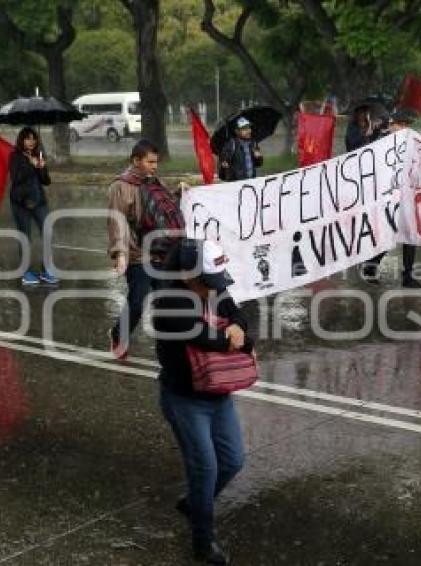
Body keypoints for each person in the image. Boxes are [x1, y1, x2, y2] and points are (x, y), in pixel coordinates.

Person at [153, 239, 253, 565]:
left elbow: (239, 316)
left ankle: (194, 503)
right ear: (186, 275)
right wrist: (232, 338)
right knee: (205, 468)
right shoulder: (168, 301)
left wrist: (238, 329)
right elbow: (201, 337)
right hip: (184, 399)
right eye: (207, 283)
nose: (214, 290)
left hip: (218, 394)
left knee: (233, 460)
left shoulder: (213, 289)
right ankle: (203, 540)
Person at [106, 139, 187, 359]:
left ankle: (170, 346)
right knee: (138, 301)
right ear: (136, 161)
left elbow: (159, 208)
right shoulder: (120, 186)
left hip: (161, 252)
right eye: (150, 162)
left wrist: (177, 193)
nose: (154, 166)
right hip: (136, 254)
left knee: (165, 299)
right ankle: (118, 335)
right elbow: (117, 222)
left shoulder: (151, 180)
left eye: (156, 162)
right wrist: (119, 253)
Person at [360, 108, 421, 288]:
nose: (403, 128)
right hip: (387, 198)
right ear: (392, 125)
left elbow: (417, 168)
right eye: (399, 124)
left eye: (406, 125)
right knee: (389, 235)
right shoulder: (382, 143)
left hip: (407, 196)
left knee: (410, 236)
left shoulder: (412, 143)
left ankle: (407, 277)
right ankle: (370, 267)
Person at [8, 127, 57, 286]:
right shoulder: (15, 156)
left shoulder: (39, 154)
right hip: (21, 202)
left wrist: (41, 167)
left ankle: (46, 270)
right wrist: (30, 165)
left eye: (33, 138)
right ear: (21, 140)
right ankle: (25, 272)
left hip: (38, 201)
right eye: (28, 138)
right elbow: (17, 178)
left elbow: (46, 181)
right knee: (25, 237)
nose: (31, 141)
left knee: (48, 233)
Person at [218, 117, 262, 181]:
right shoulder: (231, 144)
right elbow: (223, 165)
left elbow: (258, 164)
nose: (248, 131)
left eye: (249, 128)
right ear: (237, 131)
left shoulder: (253, 143)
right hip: (237, 184)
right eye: (244, 129)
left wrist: (259, 157)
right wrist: (224, 165)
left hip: (252, 182)